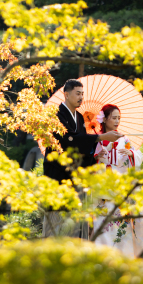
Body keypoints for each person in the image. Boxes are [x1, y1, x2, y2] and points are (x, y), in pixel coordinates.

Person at [42, 80, 122, 238]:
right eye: (78, 93)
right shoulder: (56, 114)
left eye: (82, 94)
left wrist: (93, 157)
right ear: (66, 94)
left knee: (75, 222)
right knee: (58, 221)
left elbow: (80, 146)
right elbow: (68, 139)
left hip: (75, 176)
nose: (81, 97)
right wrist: (100, 137)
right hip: (58, 175)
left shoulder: (78, 117)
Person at [91, 104, 143, 257]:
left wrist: (130, 154)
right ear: (105, 119)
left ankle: (124, 258)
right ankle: (103, 258)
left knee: (122, 225)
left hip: (120, 188)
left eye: (118, 118)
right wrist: (101, 153)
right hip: (102, 188)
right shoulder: (97, 140)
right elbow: (91, 163)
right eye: (113, 118)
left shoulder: (124, 139)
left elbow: (138, 156)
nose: (117, 121)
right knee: (103, 225)